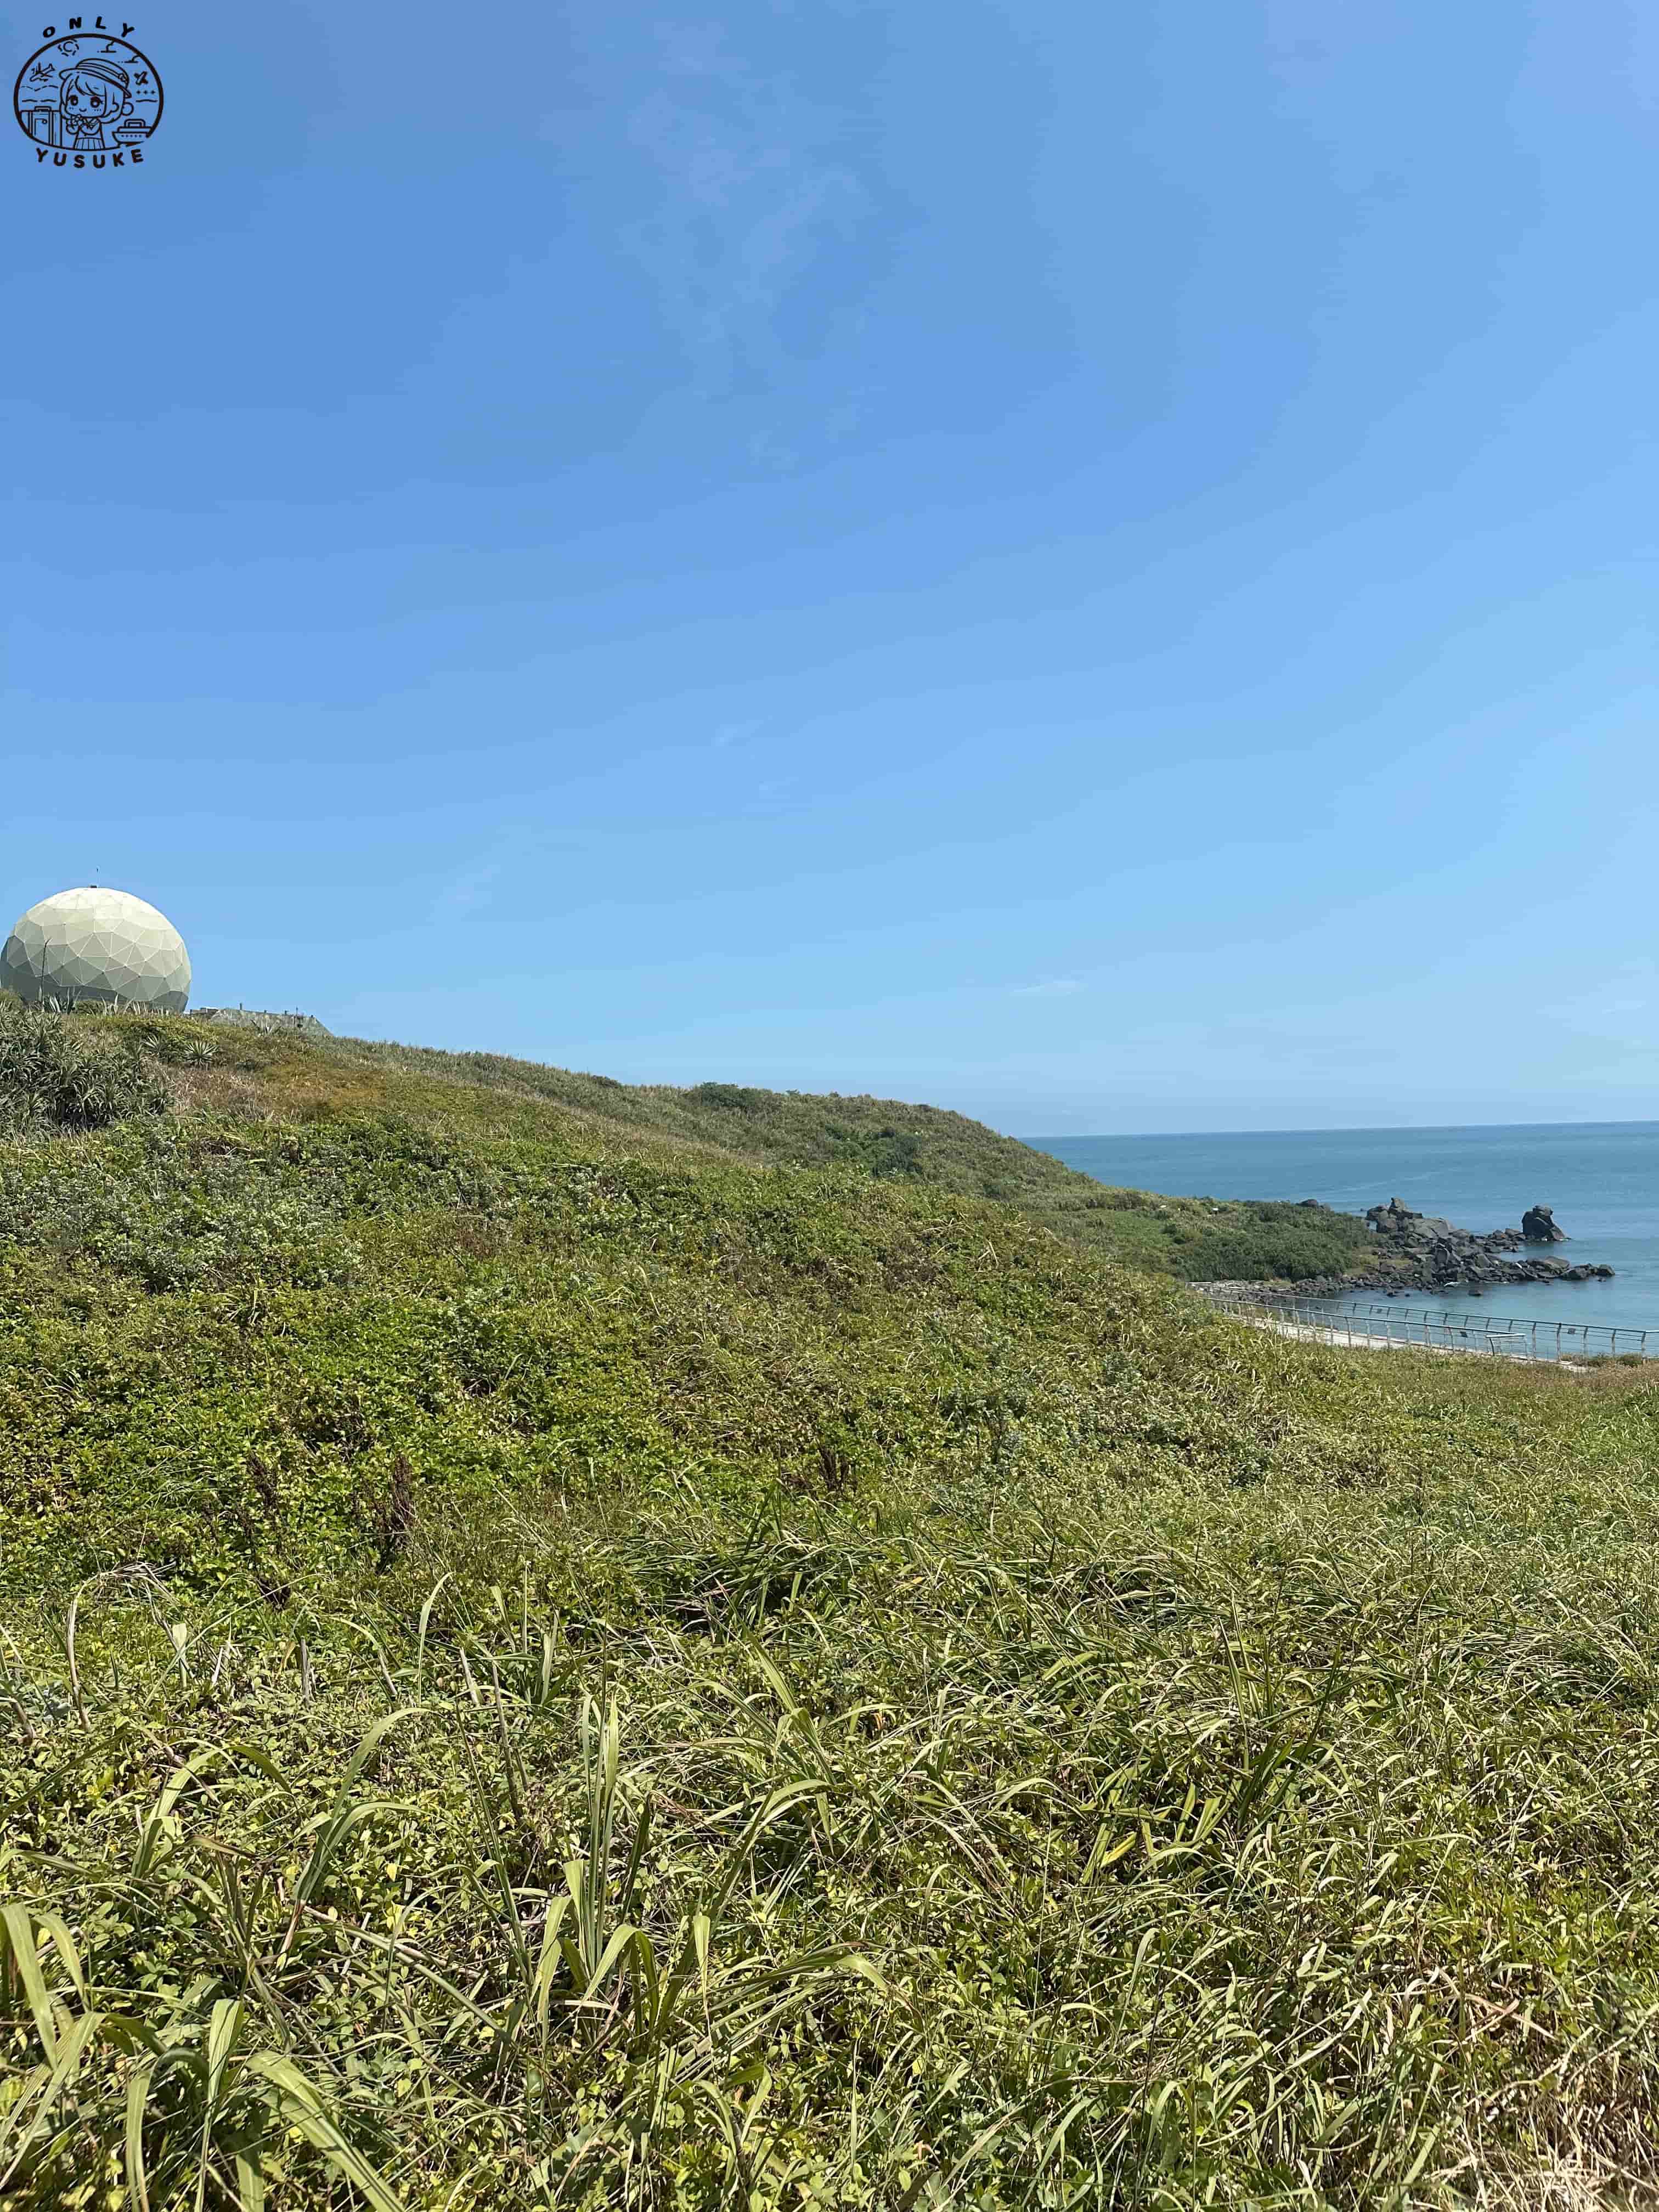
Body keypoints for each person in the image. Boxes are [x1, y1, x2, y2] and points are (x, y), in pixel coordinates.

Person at [58, 58, 133, 153]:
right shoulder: (80, 118)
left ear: (113, 105)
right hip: (80, 142)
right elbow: (72, 131)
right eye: (74, 101)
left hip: (94, 143)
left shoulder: (96, 121)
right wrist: (73, 125)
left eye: (95, 103)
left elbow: (91, 131)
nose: (82, 108)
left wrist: (81, 124)